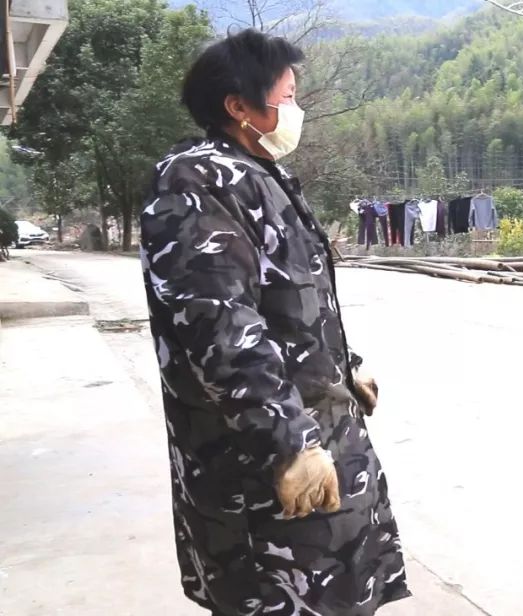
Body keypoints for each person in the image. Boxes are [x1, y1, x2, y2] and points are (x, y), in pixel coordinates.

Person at [139, 30, 408, 616]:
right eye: (287, 96)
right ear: (239, 106)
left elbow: (290, 304)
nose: (295, 108)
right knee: (280, 597)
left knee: (337, 592)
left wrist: (343, 370)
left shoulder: (259, 173)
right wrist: (288, 441)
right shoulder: (196, 180)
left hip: (320, 430)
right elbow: (220, 324)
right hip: (260, 458)